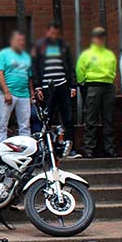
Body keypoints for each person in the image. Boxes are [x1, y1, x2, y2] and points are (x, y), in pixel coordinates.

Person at [32, 21, 78, 156]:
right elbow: (35, 67)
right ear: (47, 32)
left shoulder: (64, 47)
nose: (54, 35)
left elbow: (70, 66)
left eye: (56, 33)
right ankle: (47, 149)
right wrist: (38, 87)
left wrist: (73, 86)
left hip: (63, 85)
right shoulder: (40, 47)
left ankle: (70, 148)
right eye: (52, 33)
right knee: (47, 119)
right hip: (47, 87)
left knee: (68, 118)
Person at [76, 27, 118, 157]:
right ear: (93, 38)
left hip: (108, 86)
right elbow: (80, 70)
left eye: (101, 36)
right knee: (91, 119)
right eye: (97, 36)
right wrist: (83, 84)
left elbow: (114, 69)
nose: (100, 39)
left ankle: (109, 149)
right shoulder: (87, 54)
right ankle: (89, 149)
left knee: (108, 119)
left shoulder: (109, 54)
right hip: (93, 86)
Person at [0, 30, 33, 142]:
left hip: (24, 95)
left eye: (22, 40)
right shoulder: (3, 54)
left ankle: (25, 151)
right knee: (2, 124)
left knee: (25, 126)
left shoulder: (26, 56)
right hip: (7, 94)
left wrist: (31, 93)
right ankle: (0, 152)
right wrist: (6, 92)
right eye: (18, 40)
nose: (21, 43)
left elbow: (29, 76)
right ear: (12, 41)